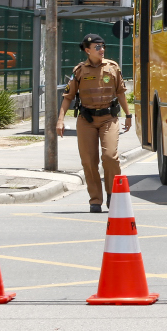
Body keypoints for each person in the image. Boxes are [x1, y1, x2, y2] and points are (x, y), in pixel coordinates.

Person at [57, 33, 132, 213]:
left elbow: (121, 93)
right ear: (87, 50)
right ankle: (95, 200)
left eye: (103, 46)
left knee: (109, 157)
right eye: (97, 47)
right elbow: (67, 97)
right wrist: (60, 120)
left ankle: (113, 194)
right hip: (86, 120)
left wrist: (128, 115)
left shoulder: (113, 68)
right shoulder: (79, 71)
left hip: (109, 118)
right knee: (89, 162)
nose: (101, 50)